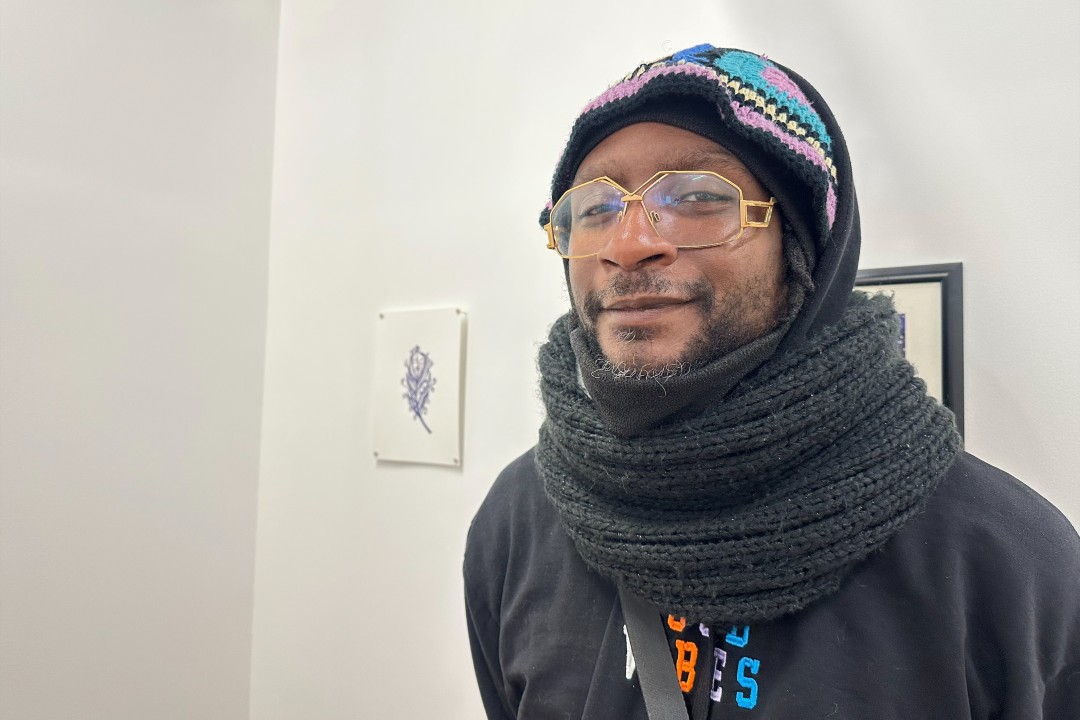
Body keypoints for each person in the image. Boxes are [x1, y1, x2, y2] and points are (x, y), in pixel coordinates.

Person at [463, 44, 1080, 719]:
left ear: (802, 247)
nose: (629, 244)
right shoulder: (517, 520)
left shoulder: (1004, 566)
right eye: (594, 209)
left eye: (697, 197)